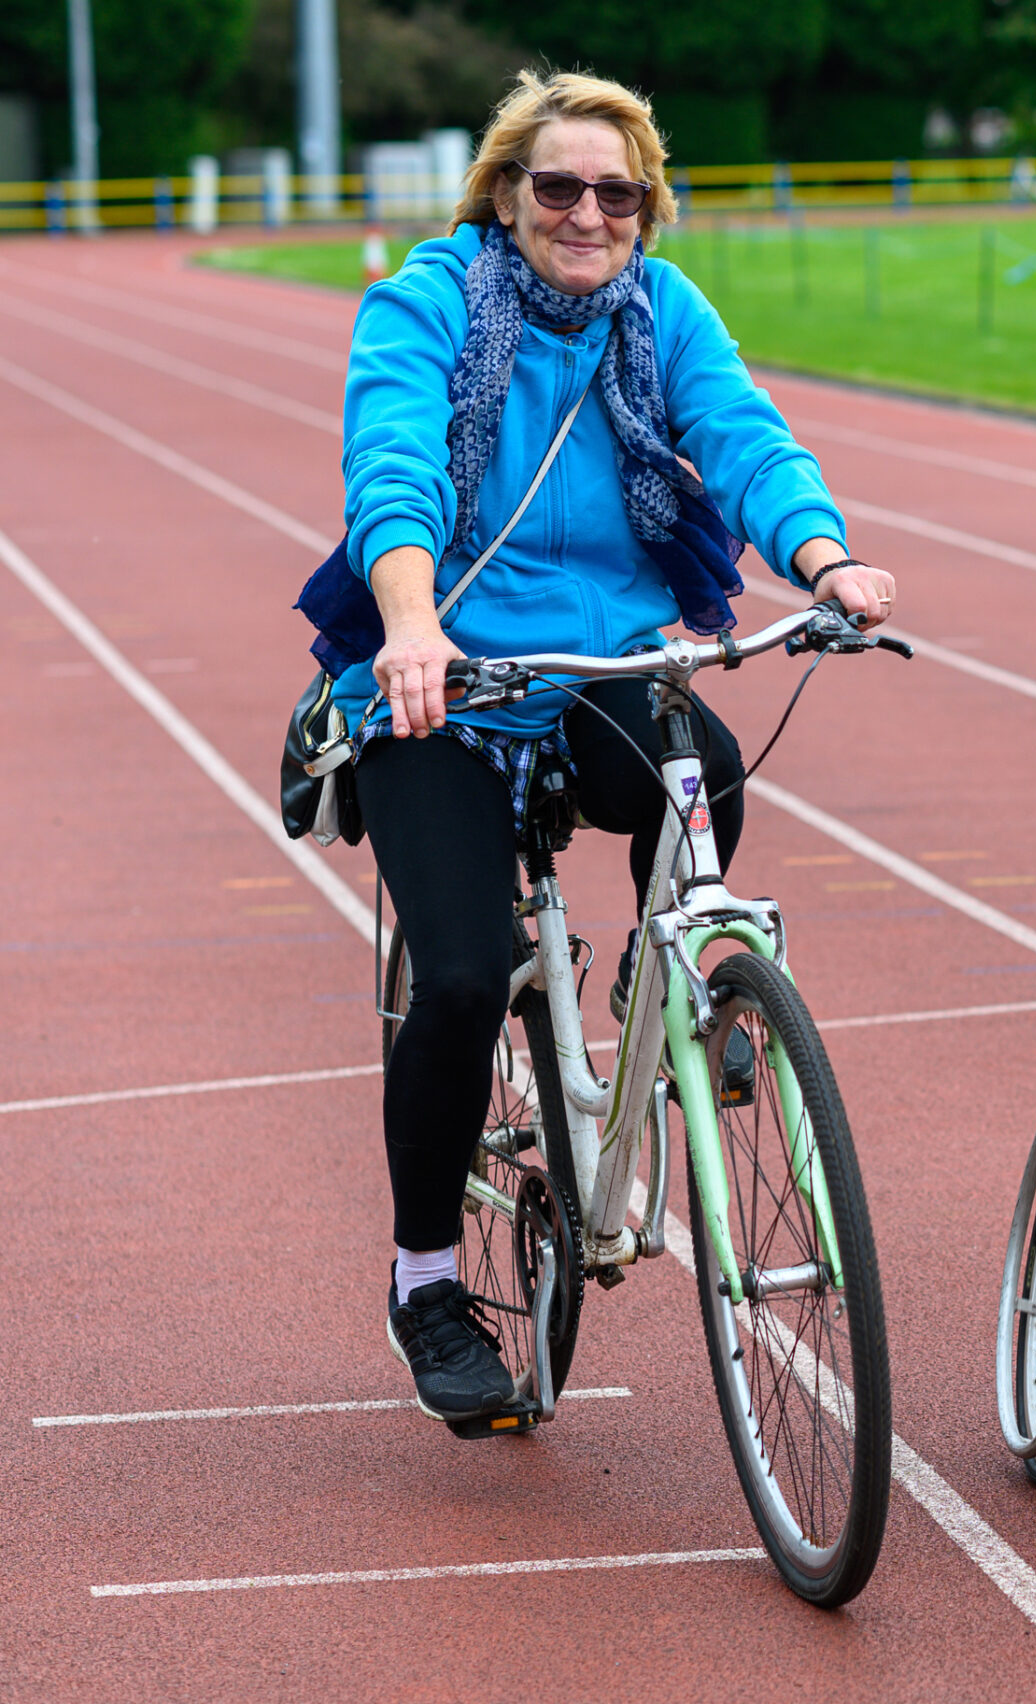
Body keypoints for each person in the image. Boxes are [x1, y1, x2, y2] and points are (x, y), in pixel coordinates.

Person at [336, 70, 894, 1422]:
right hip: (450, 680)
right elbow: (395, 461)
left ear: (646, 209)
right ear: (507, 195)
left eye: (616, 192)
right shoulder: (428, 304)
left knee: (710, 772)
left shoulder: (663, 313)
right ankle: (423, 1280)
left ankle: (676, 981)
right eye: (558, 187)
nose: (587, 213)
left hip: (611, 662)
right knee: (465, 978)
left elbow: (743, 440)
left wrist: (825, 559)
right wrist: (410, 624)